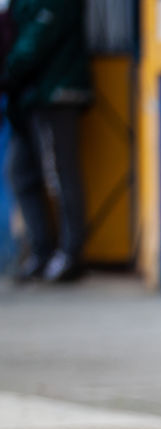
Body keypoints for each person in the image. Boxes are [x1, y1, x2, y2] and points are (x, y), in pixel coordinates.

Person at [1, 0, 91, 283]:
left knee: (60, 173)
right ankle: (41, 251)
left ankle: (70, 253)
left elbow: (35, 42)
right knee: (19, 173)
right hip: (26, 97)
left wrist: (7, 72)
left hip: (55, 91)